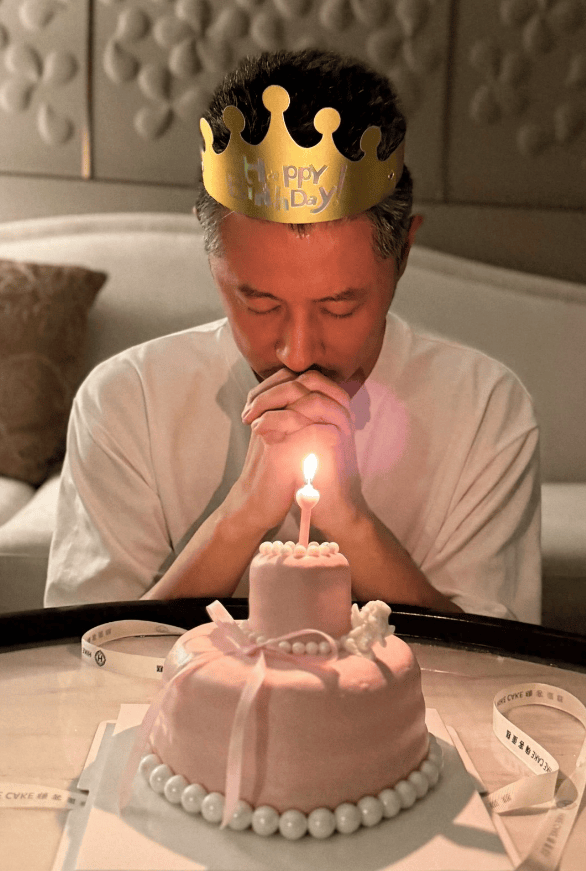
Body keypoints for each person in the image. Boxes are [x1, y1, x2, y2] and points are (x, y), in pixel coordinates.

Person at [45, 49, 541, 622]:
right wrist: (240, 517)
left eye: (339, 306)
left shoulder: (485, 409)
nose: (298, 353)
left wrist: (351, 523)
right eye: (259, 303)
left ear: (403, 254)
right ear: (211, 258)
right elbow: (80, 656)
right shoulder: (126, 400)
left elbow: (497, 663)